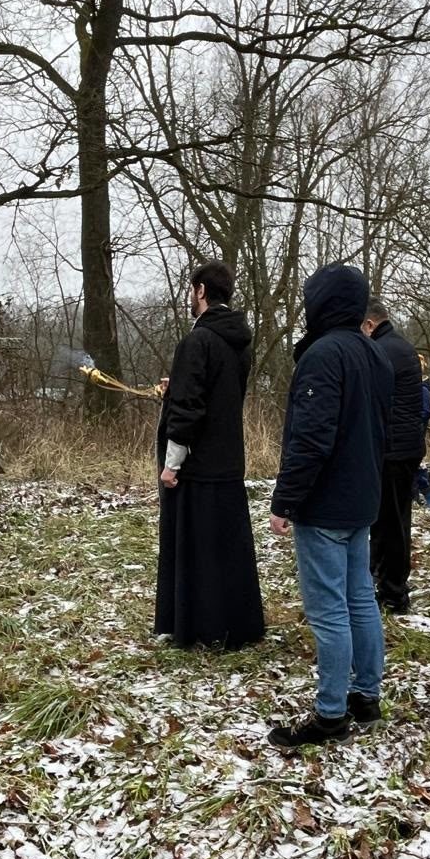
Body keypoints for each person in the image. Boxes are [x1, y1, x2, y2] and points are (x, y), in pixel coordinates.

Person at [267, 264, 393, 748]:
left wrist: (286, 500)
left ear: (321, 302)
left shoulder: (323, 355)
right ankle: (366, 696)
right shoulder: (374, 352)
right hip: (362, 498)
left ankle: (331, 714)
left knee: (330, 610)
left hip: (325, 504)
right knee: (360, 598)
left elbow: (311, 438)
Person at [155, 260, 265, 648]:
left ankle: (199, 629)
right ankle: (236, 627)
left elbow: (189, 409)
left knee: (198, 549)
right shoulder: (239, 342)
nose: (191, 296)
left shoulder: (197, 341)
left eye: (192, 290)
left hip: (198, 465)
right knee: (228, 549)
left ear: (201, 291)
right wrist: (179, 384)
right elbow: (220, 394)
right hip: (229, 460)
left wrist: (171, 464)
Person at [362, 299, 424, 614]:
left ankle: (394, 593)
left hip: (393, 451)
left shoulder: (382, 350)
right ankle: (387, 582)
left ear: (369, 324)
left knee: (391, 524)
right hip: (403, 447)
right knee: (392, 520)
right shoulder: (399, 346)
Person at [414, 355, 430, 509]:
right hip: (401, 432)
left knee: (415, 465)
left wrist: (416, 426)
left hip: (415, 433)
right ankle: (414, 497)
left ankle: (429, 495)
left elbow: (425, 413)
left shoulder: (423, 390)